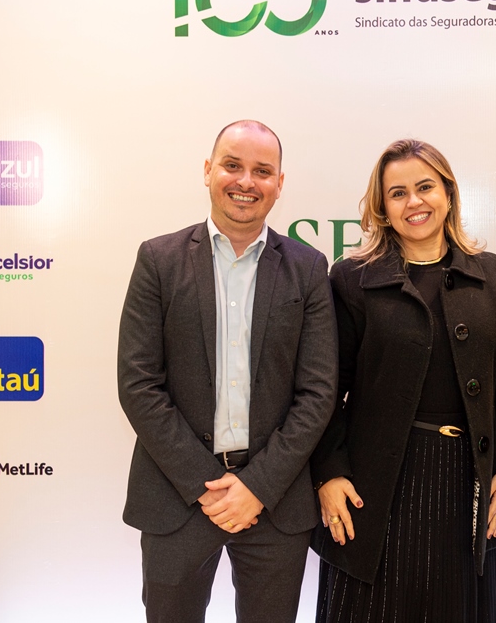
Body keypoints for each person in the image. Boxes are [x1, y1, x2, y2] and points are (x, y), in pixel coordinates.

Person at [117, 119, 337, 623]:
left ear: (279, 183)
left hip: (274, 501)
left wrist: (257, 486)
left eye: (262, 171)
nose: (246, 181)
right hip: (177, 496)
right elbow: (138, 384)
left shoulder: (308, 268)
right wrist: (206, 484)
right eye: (232, 165)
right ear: (208, 170)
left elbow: (318, 393)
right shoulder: (158, 260)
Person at [310, 139, 496, 622]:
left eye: (426, 187)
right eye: (398, 193)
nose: (414, 202)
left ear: (448, 194)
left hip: (467, 479)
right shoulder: (351, 278)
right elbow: (324, 389)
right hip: (374, 484)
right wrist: (328, 472)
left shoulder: (492, 273)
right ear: (383, 208)